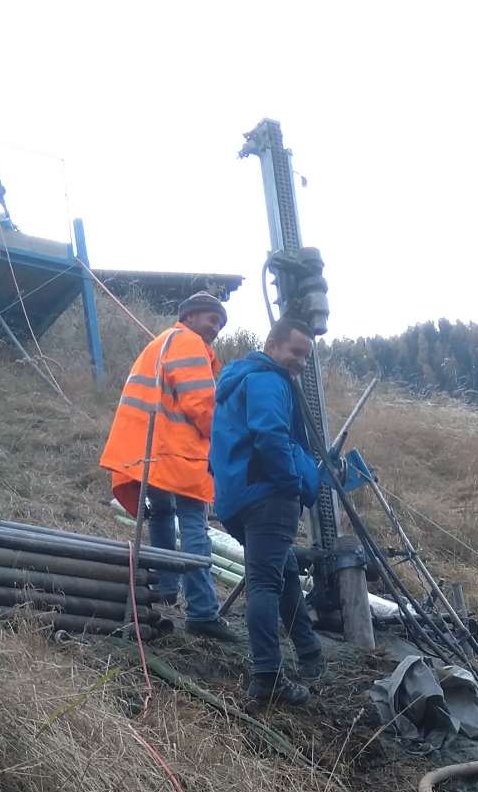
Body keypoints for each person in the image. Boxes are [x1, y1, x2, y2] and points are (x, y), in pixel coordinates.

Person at [98, 293, 234, 641]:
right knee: (194, 526)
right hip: (179, 453)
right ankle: (202, 611)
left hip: (152, 452)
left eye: (219, 324)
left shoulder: (161, 343)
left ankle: (164, 591)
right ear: (189, 316)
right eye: (211, 320)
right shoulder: (189, 343)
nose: (215, 329)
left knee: (161, 516)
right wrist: (224, 442)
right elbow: (202, 403)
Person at [210, 318, 327, 709]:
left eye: (307, 356)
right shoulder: (266, 380)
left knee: (284, 567)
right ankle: (267, 677)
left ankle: (309, 652)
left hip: (234, 497)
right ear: (273, 345)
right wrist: (292, 483)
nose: (301, 362)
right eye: (296, 352)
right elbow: (270, 435)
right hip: (267, 495)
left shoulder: (234, 381)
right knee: (264, 582)